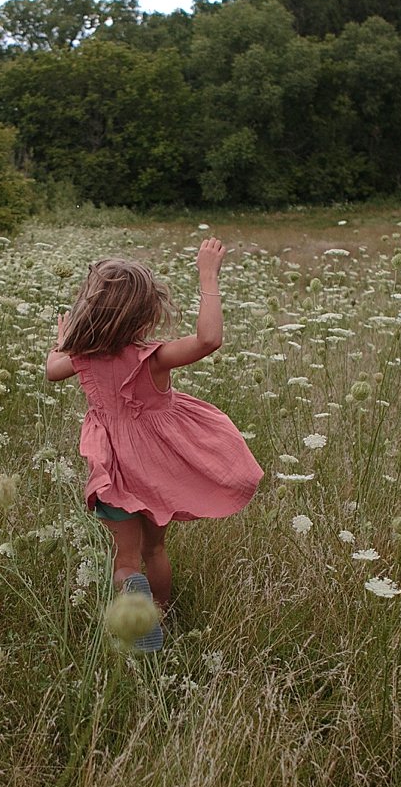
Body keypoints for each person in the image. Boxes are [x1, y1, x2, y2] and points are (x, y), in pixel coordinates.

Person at [45, 237, 263, 652]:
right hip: (157, 468)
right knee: (155, 547)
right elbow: (208, 341)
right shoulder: (154, 357)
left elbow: (52, 371)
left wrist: (63, 338)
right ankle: (159, 615)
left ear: (88, 310)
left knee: (125, 560)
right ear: (147, 311)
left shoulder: (82, 356)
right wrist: (208, 276)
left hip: (113, 468)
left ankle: (136, 619)